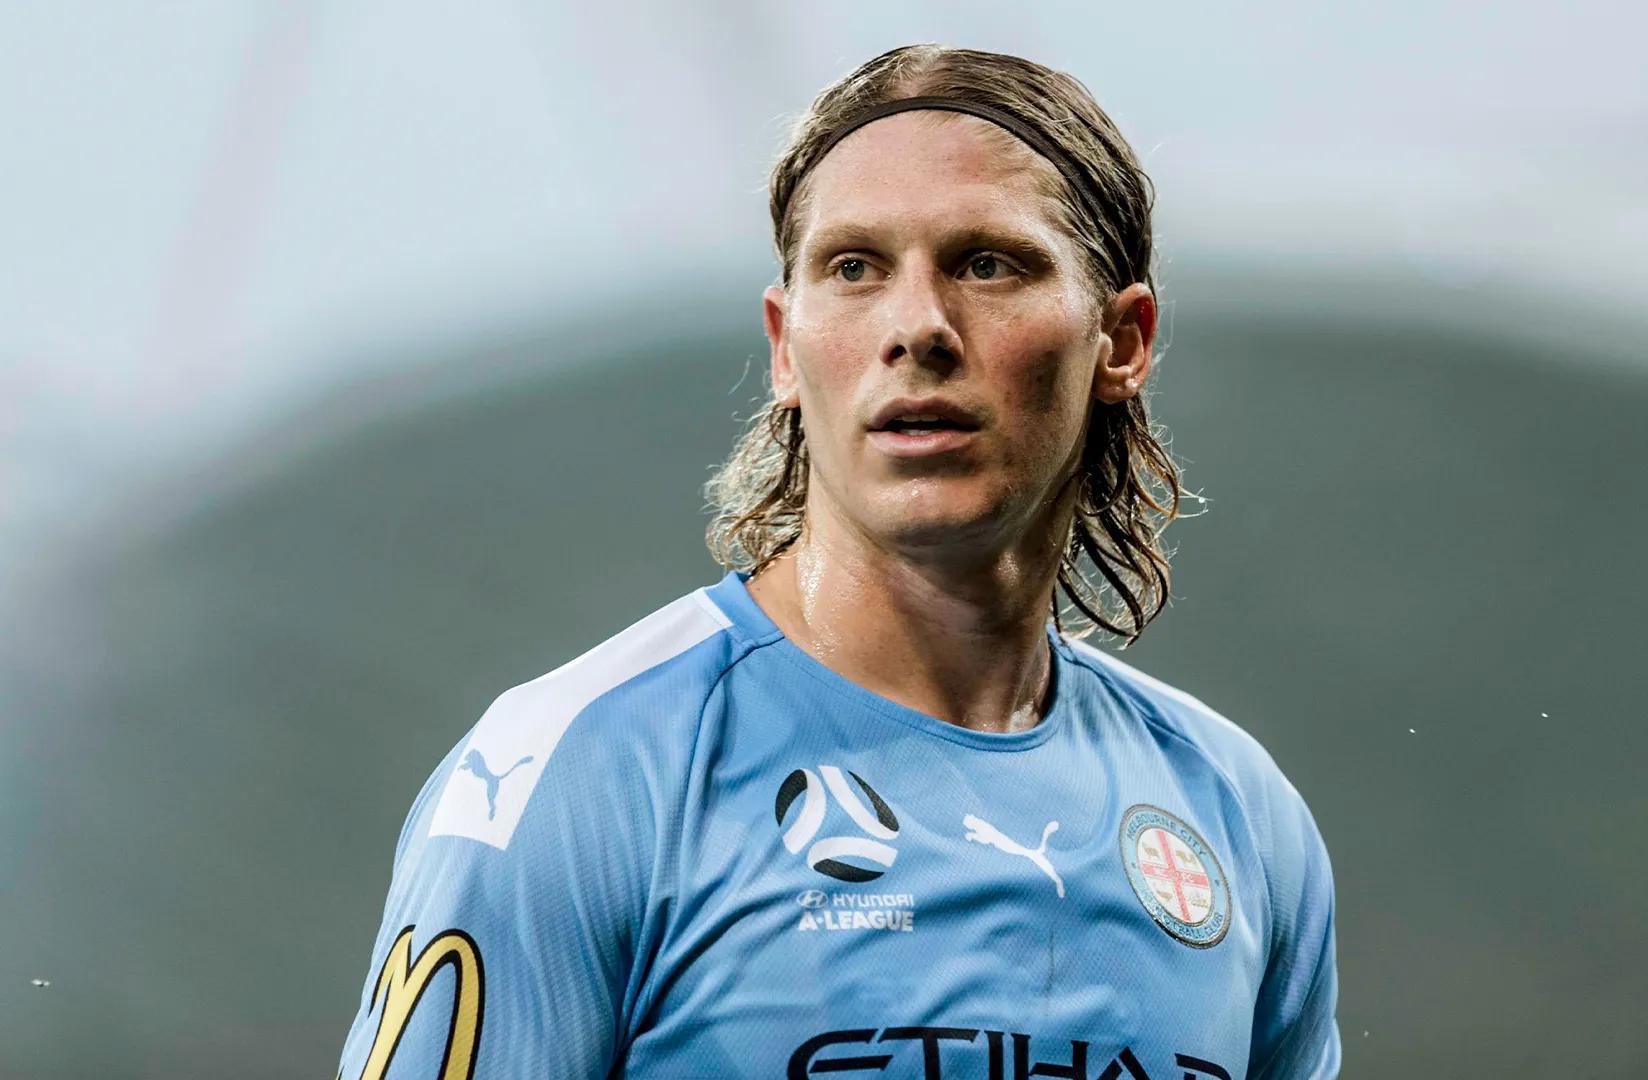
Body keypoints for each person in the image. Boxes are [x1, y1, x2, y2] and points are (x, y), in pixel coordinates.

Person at [335, 43, 1339, 1080]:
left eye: (987, 264)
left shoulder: (1235, 814)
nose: (918, 328)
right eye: (854, 268)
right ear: (785, 343)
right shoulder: (580, 773)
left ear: (1122, 341)